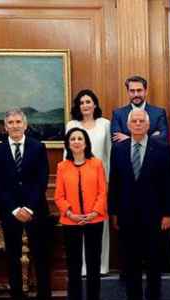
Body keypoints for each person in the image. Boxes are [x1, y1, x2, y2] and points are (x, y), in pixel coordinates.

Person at [108, 108, 170, 300]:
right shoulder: (118, 149)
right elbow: (115, 183)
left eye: (141, 121)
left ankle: (154, 299)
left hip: (154, 214)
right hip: (127, 213)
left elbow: (168, 183)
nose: (137, 124)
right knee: (130, 259)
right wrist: (114, 212)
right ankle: (133, 299)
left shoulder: (162, 147)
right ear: (128, 126)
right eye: (134, 121)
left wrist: (168, 213)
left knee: (154, 258)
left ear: (148, 125)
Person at [0, 108, 52, 300]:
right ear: (5, 126)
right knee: (13, 257)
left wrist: (29, 207)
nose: (15, 126)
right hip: (10, 212)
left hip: (36, 210)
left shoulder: (38, 148)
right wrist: (15, 209)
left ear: (25, 125)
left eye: (18, 122)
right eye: (11, 122)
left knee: (40, 256)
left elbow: (41, 180)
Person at [54, 128, 107, 300]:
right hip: (71, 221)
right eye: (73, 139)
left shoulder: (97, 164)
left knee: (93, 262)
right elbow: (58, 196)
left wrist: (94, 212)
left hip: (95, 219)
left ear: (86, 143)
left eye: (80, 139)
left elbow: (103, 192)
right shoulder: (62, 167)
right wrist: (70, 213)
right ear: (68, 144)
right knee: (74, 264)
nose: (76, 142)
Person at [67, 89, 111, 275]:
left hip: (100, 182)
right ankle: (83, 267)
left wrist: (109, 181)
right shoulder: (72, 125)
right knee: (79, 222)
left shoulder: (105, 124)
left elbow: (109, 154)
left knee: (99, 223)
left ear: (95, 104)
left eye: (88, 101)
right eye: (82, 102)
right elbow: (66, 155)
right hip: (76, 181)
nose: (85, 105)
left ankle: (100, 266)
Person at [110, 75, 168, 143]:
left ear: (145, 91)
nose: (136, 94)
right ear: (128, 92)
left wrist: (128, 139)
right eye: (132, 91)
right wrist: (151, 138)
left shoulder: (159, 113)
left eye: (139, 90)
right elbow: (116, 140)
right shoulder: (118, 114)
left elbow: (163, 139)